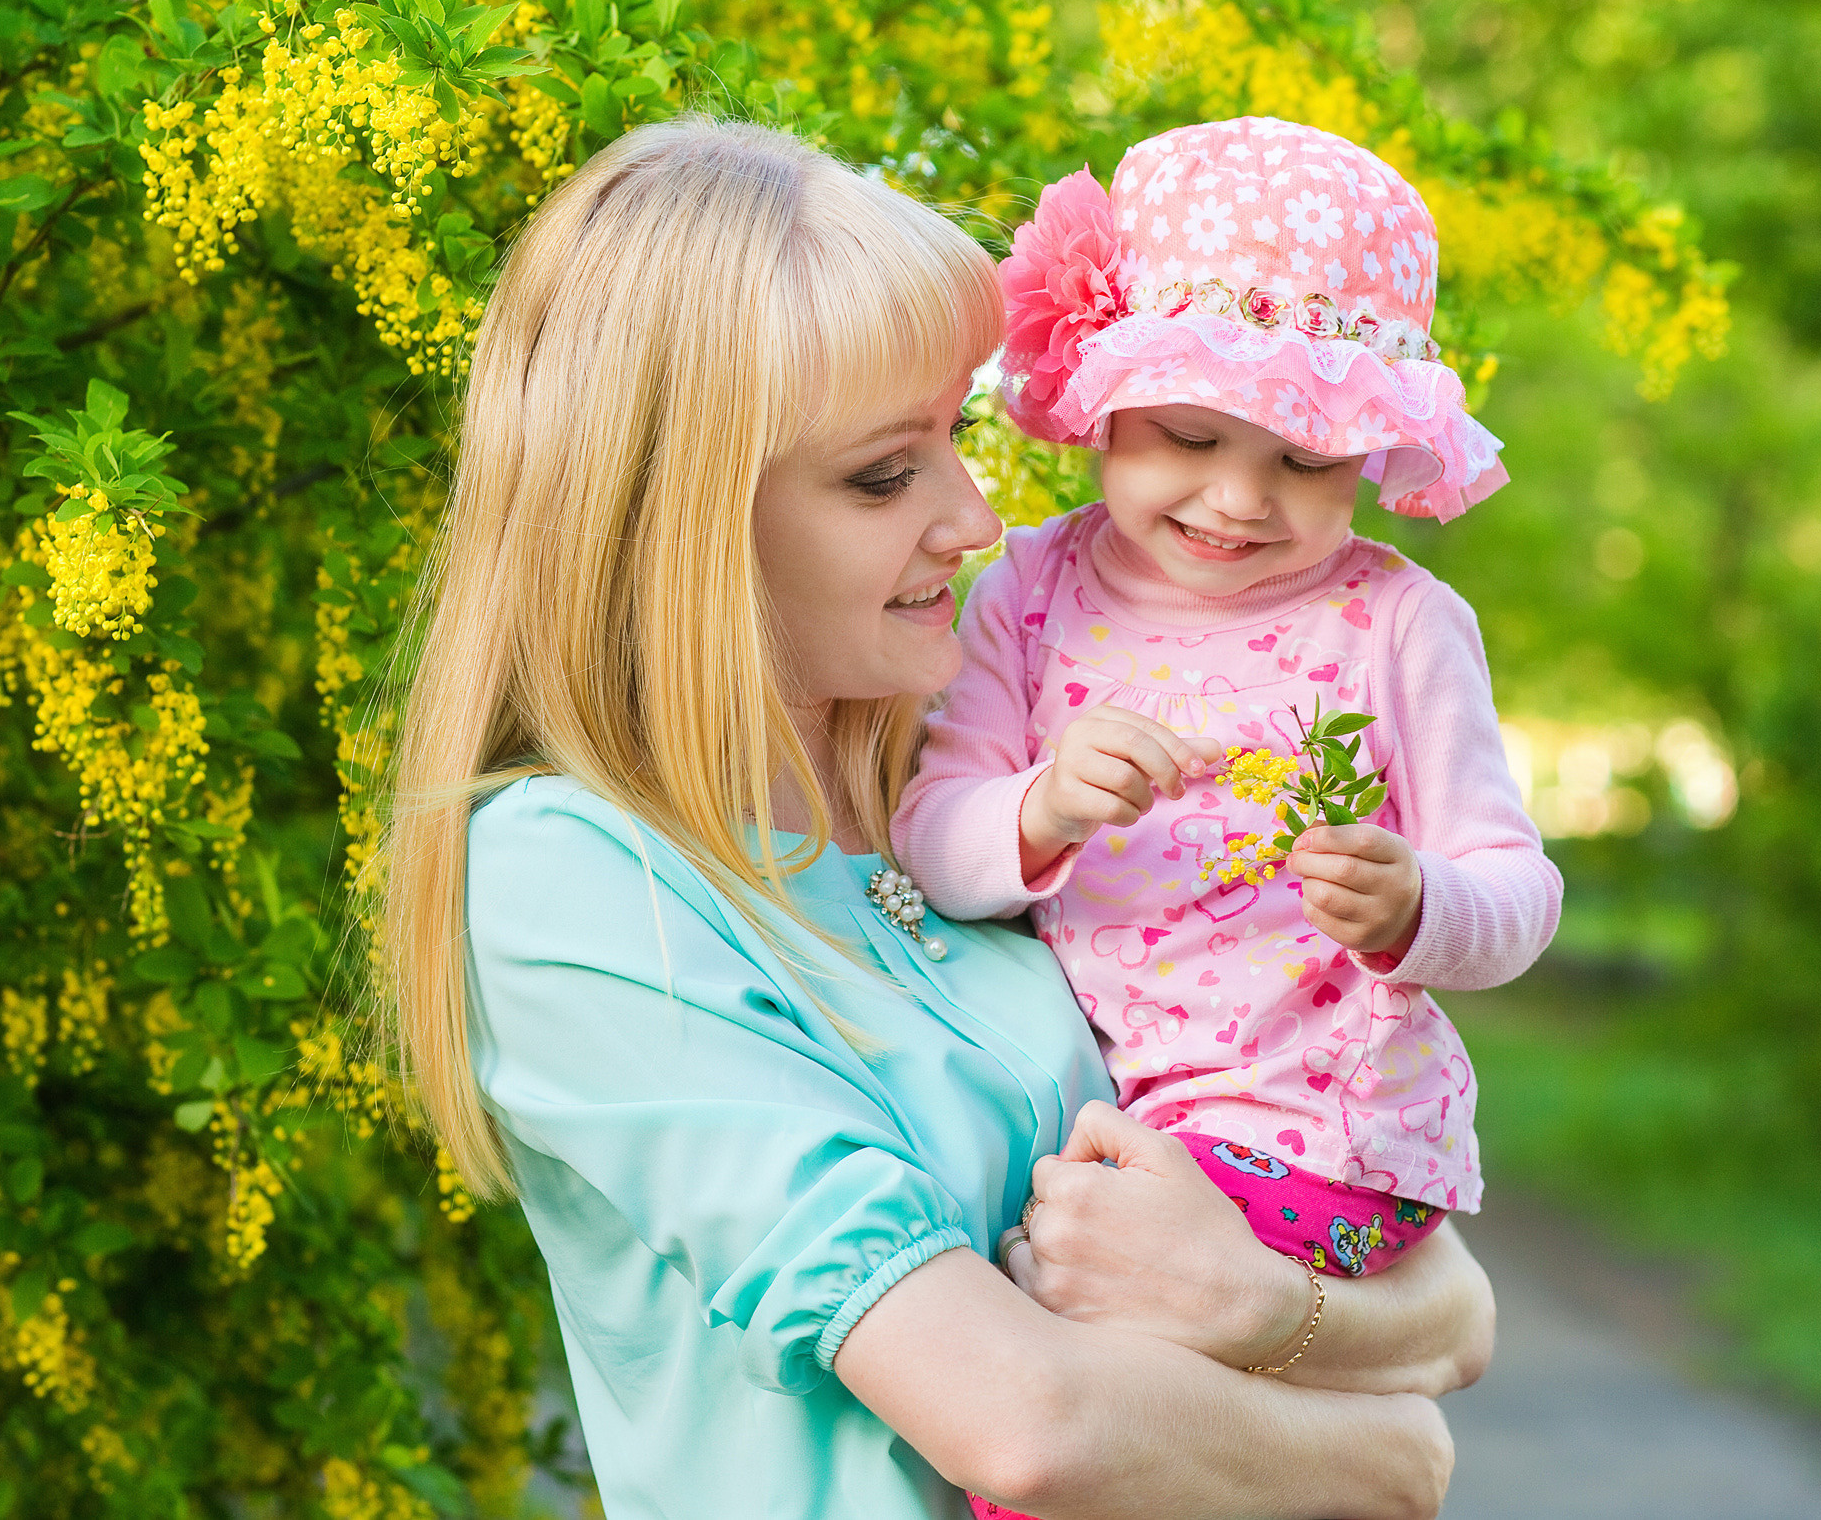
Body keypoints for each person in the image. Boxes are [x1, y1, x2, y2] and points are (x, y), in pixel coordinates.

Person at [380, 115, 1491, 1520]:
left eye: (956, 439)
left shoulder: (967, 792)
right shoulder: (576, 876)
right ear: (683, 520)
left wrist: (1264, 1302)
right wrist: (1388, 1449)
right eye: (883, 474)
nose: (974, 520)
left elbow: (1450, 1302)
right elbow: (1023, 1426)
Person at [891, 120, 1557, 1515]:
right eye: (1192, 436)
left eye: (1306, 463)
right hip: (1096, 1120)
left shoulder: (1395, 624)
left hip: (1311, 1124)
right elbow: (934, 842)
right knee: (1160, 1447)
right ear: (1099, 402)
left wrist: (1423, 904)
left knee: (1111, 1440)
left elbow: (1516, 888)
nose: (1239, 500)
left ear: (1373, 455)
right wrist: (1039, 806)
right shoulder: (1028, 589)